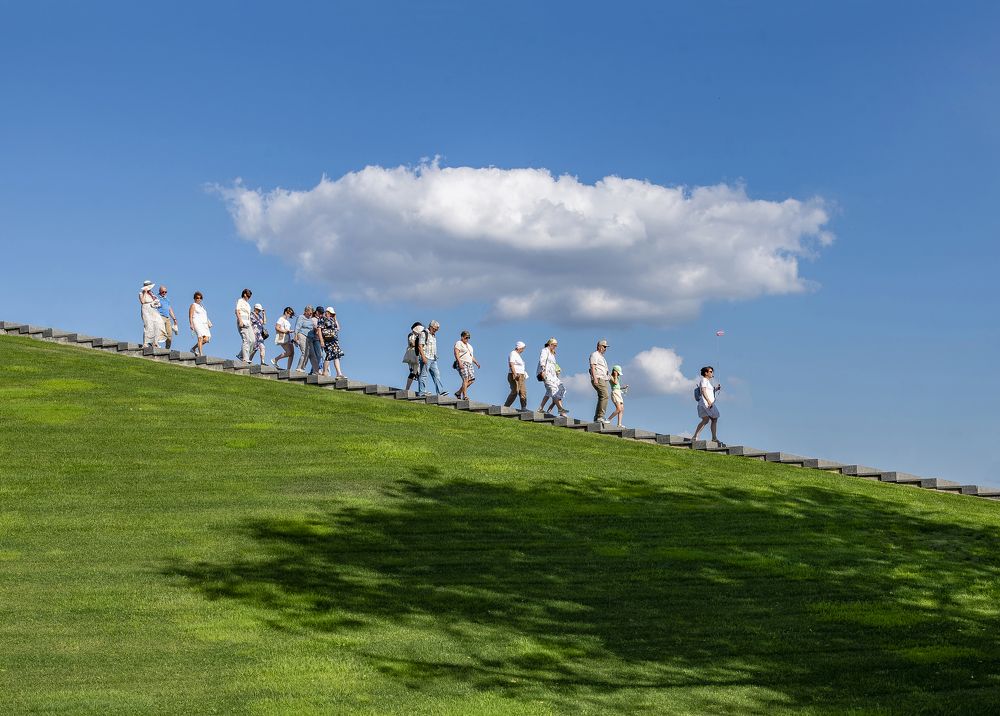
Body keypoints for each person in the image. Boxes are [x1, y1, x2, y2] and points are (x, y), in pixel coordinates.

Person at [692, 366, 725, 445]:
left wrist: (716, 389)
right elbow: (703, 391)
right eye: (710, 371)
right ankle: (713, 438)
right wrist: (709, 401)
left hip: (705, 403)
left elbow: (709, 391)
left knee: (707, 420)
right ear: (706, 373)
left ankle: (695, 436)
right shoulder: (704, 380)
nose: (712, 373)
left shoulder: (707, 382)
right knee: (713, 419)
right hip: (706, 403)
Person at [537, 338, 567, 416]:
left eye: (556, 346)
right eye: (554, 345)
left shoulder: (552, 354)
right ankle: (560, 410)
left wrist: (557, 371)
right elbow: (542, 360)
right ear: (550, 344)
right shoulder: (545, 350)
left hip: (553, 375)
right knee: (553, 389)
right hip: (546, 374)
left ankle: (540, 408)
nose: (555, 347)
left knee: (559, 389)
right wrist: (543, 370)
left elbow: (553, 365)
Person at [417, 320, 447, 396]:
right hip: (426, 357)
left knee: (437, 374)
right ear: (431, 327)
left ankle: (440, 392)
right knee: (424, 375)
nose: (436, 331)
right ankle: (422, 392)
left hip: (433, 358)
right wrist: (423, 357)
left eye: (437, 330)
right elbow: (420, 346)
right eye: (435, 329)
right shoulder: (424, 333)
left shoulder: (433, 336)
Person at [318, 307, 346, 378]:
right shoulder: (322, 319)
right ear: (326, 312)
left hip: (334, 340)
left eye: (332, 314)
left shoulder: (332, 320)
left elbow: (338, 328)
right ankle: (324, 372)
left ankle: (339, 373)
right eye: (330, 313)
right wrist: (321, 341)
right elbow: (319, 330)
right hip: (327, 340)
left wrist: (335, 318)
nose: (330, 314)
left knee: (336, 355)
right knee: (329, 355)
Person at [453, 330, 481, 400]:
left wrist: (476, 362)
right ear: (462, 337)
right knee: (465, 379)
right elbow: (456, 353)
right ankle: (465, 396)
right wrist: (459, 363)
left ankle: (458, 392)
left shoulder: (470, 346)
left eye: (468, 338)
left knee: (471, 380)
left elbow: (471, 356)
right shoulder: (459, 343)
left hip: (469, 363)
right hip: (462, 362)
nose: (467, 339)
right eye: (466, 337)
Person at [589, 339, 611, 424]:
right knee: (605, 396)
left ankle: (597, 418)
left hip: (603, 379)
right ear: (599, 346)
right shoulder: (594, 355)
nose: (605, 349)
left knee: (601, 397)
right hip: (598, 378)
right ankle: (600, 416)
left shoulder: (602, 357)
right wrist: (594, 378)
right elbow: (593, 367)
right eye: (604, 347)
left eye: (606, 347)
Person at [138, 280, 165, 347]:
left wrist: (157, 303)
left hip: (153, 309)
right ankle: (145, 343)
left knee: (158, 324)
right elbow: (142, 301)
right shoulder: (141, 293)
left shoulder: (152, 293)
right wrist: (145, 292)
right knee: (148, 325)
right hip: (146, 309)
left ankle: (155, 342)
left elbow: (156, 301)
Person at [504, 341, 528, 410]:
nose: (523, 350)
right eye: (522, 348)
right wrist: (515, 374)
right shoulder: (513, 353)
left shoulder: (518, 355)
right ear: (519, 347)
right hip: (515, 375)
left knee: (523, 391)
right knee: (515, 391)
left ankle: (524, 407)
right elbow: (511, 364)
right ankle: (506, 406)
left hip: (521, 375)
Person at [189, 291, 212, 356]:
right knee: (200, 338)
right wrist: (191, 324)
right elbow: (190, 315)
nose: (198, 299)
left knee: (206, 339)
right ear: (194, 298)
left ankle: (193, 349)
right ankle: (201, 354)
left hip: (204, 324)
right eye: (197, 298)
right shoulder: (193, 305)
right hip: (197, 323)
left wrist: (208, 322)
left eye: (200, 298)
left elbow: (205, 316)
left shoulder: (202, 307)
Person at [155, 284, 178, 349]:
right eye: (163, 292)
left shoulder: (167, 299)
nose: (164, 293)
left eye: (165, 292)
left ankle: (167, 349)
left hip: (167, 318)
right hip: (160, 317)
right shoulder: (156, 298)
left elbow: (169, 309)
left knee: (169, 335)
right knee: (160, 332)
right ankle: (155, 345)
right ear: (160, 291)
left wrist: (174, 319)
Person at [403, 322, 423, 391]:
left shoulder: (419, 336)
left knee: (418, 373)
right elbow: (412, 343)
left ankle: (421, 390)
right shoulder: (411, 335)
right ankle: (407, 389)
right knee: (414, 373)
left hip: (417, 355)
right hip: (412, 355)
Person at [235, 288, 254, 362]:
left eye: (250, 296)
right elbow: (237, 311)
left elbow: (249, 315)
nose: (249, 297)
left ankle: (240, 354)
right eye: (248, 295)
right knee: (246, 340)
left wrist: (250, 324)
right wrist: (240, 321)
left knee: (252, 340)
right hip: (242, 321)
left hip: (248, 323)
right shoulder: (240, 301)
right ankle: (245, 358)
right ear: (244, 294)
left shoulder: (248, 305)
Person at [293, 306, 314, 372]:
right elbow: (297, 327)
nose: (310, 314)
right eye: (309, 313)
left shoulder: (311, 320)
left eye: (311, 313)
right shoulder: (301, 317)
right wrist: (295, 336)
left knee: (307, 353)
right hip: (301, 335)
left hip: (309, 337)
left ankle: (303, 368)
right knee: (304, 352)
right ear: (306, 311)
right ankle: (299, 367)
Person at [309, 306, 325, 375]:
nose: (321, 314)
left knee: (322, 356)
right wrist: (316, 329)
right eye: (320, 313)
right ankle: (315, 370)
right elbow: (314, 329)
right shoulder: (313, 319)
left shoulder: (322, 320)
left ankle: (314, 370)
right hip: (316, 339)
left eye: (322, 313)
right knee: (319, 355)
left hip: (321, 340)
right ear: (317, 312)